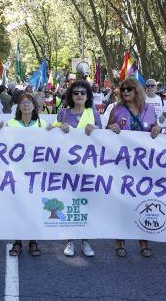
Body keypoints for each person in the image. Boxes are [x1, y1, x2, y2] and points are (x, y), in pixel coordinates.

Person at [107, 78, 156, 257]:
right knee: (122, 202)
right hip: (122, 164)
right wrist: (111, 128)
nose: (125, 92)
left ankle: (144, 242)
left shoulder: (150, 110)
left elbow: (154, 129)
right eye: (123, 89)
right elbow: (105, 133)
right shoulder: (117, 110)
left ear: (137, 91)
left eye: (129, 89)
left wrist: (157, 129)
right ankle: (120, 241)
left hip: (143, 165)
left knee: (144, 202)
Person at [51, 80, 100, 258]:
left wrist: (94, 127)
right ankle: (70, 240)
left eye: (83, 92)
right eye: (76, 92)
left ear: (88, 96)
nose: (79, 95)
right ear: (71, 96)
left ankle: (86, 240)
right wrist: (59, 127)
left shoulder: (93, 113)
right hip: (68, 166)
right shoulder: (63, 113)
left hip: (88, 166)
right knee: (70, 202)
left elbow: (104, 137)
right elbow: (53, 135)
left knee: (86, 203)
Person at [7, 93, 45, 257]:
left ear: (34, 106)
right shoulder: (10, 123)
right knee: (18, 208)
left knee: (34, 208)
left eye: (29, 102)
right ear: (18, 106)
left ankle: (33, 241)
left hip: (36, 174)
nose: (26, 105)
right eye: (23, 102)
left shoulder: (42, 124)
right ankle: (17, 241)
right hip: (17, 173)